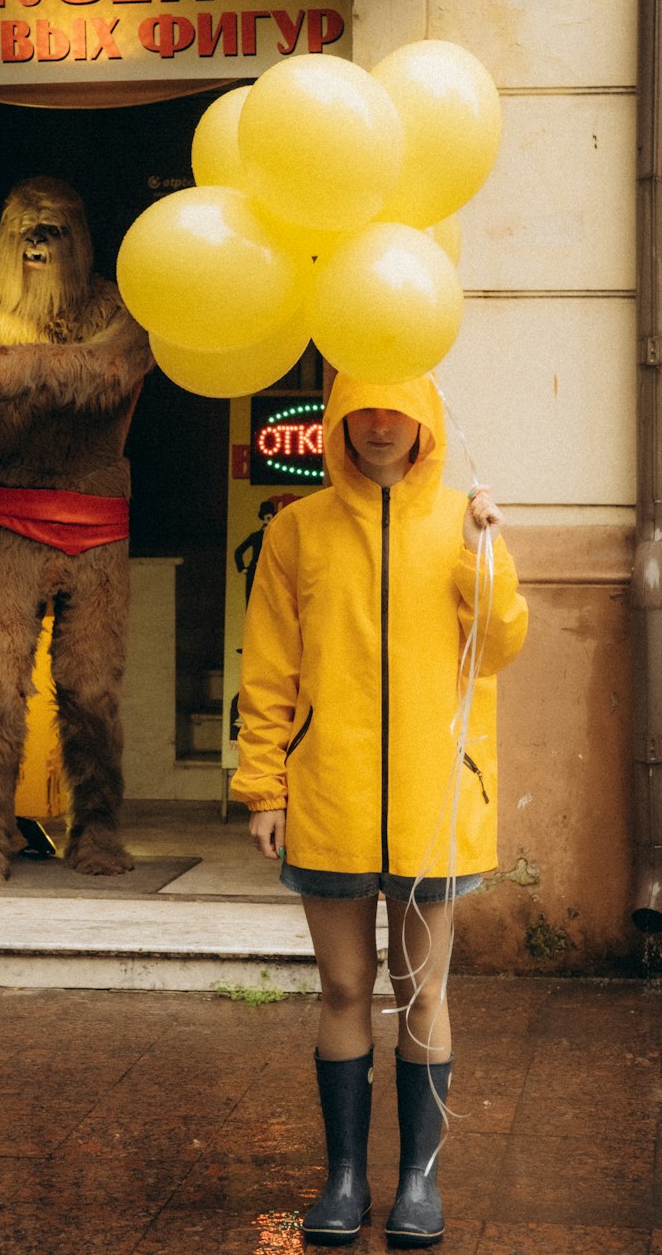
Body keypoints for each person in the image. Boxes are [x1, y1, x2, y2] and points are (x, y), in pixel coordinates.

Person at [230, 372, 528, 1247]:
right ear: (339, 420)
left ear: (427, 417)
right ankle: (346, 1180)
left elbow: (502, 643)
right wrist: (263, 788)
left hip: (437, 797)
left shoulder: (462, 520)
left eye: (399, 409)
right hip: (330, 794)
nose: (381, 427)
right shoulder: (299, 530)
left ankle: (419, 1185)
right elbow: (270, 667)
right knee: (345, 987)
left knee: (422, 992)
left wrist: (485, 555)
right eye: (364, 409)